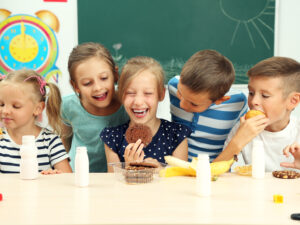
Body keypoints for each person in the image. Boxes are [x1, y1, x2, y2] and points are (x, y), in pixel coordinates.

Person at [100, 56, 192, 172]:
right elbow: (114, 184)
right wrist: (128, 167)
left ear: (161, 94)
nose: (138, 102)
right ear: (120, 95)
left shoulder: (176, 136)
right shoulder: (113, 138)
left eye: (148, 93)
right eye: (130, 93)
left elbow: (180, 181)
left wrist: (161, 171)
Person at [220, 56, 300, 171]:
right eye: (251, 93)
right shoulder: (242, 129)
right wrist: (238, 141)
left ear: (293, 101)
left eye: (265, 96)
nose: (254, 101)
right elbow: (213, 175)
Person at [168, 50, 248, 162]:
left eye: (194, 104)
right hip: (178, 170)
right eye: (180, 94)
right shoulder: (173, 85)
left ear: (220, 100)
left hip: (215, 172)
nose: (182, 105)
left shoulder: (238, 103)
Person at [61, 42, 129, 172]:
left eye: (103, 78)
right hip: (79, 176)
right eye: (87, 83)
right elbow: (64, 142)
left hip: (115, 179)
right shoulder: (68, 106)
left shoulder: (128, 104)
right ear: (75, 86)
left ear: (115, 74)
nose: (98, 88)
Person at [0, 69, 72, 174]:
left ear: (38, 108)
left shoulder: (50, 142)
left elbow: (67, 179)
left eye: (16, 106)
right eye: (1, 104)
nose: (5, 111)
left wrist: (55, 176)